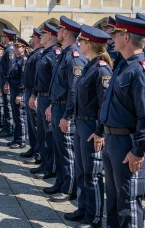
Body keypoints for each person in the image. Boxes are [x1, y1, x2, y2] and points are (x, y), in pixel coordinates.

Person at [63, 25, 113, 227]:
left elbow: (104, 105)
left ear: (89, 44)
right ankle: (83, 209)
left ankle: (95, 218)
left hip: (92, 127)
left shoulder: (101, 69)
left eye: (81, 41)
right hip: (81, 123)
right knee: (83, 170)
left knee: (92, 175)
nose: (79, 44)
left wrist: (100, 132)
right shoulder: (89, 66)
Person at [99, 15, 145, 228]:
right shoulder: (121, 65)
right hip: (112, 140)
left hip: (127, 143)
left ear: (126, 37)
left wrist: (138, 150)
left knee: (128, 199)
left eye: (115, 33)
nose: (111, 37)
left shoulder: (139, 69)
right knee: (114, 197)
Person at [44, 16, 88, 202]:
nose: (58, 33)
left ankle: (69, 189)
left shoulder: (74, 57)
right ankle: (61, 182)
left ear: (65, 32)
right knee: (59, 147)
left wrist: (68, 116)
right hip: (56, 107)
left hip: (65, 110)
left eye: (60, 30)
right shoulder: (65, 53)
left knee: (67, 150)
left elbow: (74, 90)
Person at [29, 22, 60, 179]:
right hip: (41, 96)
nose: (40, 37)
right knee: (41, 134)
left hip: (48, 97)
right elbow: (38, 78)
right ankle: (44, 164)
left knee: (49, 135)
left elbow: (56, 82)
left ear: (50, 36)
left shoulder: (54, 54)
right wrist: (34, 95)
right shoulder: (45, 53)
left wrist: (51, 103)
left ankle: (50, 168)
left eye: (43, 34)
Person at [20, 28, 44, 163]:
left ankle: (39, 152)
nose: (31, 40)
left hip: (34, 92)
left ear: (37, 39)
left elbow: (38, 77)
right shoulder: (35, 53)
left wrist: (34, 94)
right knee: (31, 123)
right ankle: (34, 148)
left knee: (36, 124)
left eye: (33, 37)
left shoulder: (39, 53)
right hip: (29, 90)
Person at [7, 38, 29, 149]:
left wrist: (21, 93)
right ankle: (16, 138)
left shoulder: (24, 60)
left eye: (18, 47)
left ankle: (22, 140)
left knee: (20, 116)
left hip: (19, 90)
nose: (16, 48)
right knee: (16, 115)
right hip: (13, 89)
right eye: (15, 47)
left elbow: (24, 78)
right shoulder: (17, 59)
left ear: (24, 48)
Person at [0, 29, 16, 138]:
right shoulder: (7, 49)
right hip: (4, 79)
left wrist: (7, 82)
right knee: (5, 105)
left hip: (6, 80)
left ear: (6, 37)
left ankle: (9, 128)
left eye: (3, 37)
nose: (2, 39)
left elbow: (10, 67)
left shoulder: (9, 50)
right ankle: (6, 126)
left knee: (8, 106)